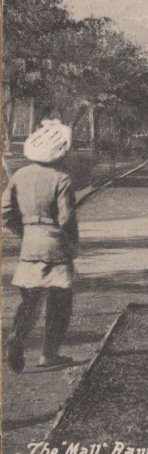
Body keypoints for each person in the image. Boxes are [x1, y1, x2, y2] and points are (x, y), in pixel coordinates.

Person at [2, 119, 78, 371]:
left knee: (30, 300)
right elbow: (66, 219)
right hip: (55, 247)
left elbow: (5, 212)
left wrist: (24, 233)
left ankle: (17, 337)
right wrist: (71, 246)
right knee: (59, 303)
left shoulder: (20, 175)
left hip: (30, 247)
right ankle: (48, 354)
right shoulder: (62, 179)